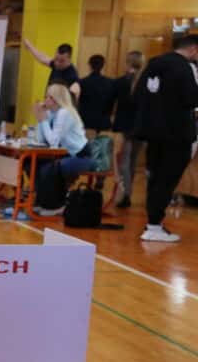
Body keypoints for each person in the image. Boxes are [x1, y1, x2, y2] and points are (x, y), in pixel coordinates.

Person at [133, 35, 198, 242]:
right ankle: (154, 225)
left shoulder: (153, 64)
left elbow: (138, 96)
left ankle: (153, 223)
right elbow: (191, 98)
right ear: (194, 49)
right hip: (177, 133)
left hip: (153, 133)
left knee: (155, 178)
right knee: (167, 180)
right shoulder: (184, 68)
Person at [30, 82, 91, 214]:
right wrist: (40, 119)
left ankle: (55, 205)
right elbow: (41, 140)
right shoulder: (52, 113)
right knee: (32, 163)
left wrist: (43, 120)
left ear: (56, 99)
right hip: (64, 153)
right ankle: (42, 200)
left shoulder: (65, 113)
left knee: (51, 167)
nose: (45, 100)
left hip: (81, 155)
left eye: (49, 97)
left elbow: (53, 142)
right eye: (46, 97)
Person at [111, 51, 144, 208]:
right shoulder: (145, 82)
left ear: (127, 62)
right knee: (133, 162)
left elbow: (112, 104)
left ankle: (125, 194)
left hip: (124, 126)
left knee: (124, 161)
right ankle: (128, 193)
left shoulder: (120, 82)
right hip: (140, 127)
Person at [78, 54, 116, 136]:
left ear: (89, 65)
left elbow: (78, 101)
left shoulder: (82, 82)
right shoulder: (111, 83)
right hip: (104, 122)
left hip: (86, 122)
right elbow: (112, 102)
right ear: (103, 66)